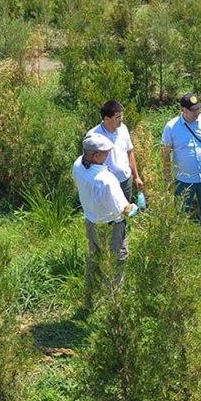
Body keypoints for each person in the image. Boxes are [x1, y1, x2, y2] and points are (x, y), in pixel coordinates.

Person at [72, 133, 139, 308]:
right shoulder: (106, 180)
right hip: (110, 227)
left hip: (91, 222)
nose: (108, 156)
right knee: (117, 260)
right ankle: (114, 302)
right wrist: (136, 207)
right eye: (105, 153)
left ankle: (89, 300)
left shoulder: (78, 165)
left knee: (94, 259)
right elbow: (123, 211)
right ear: (95, 156)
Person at [161, 92, 201, 236]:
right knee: (180, 213)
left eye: (198, 109)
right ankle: (179, 241)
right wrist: (167, 177)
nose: (197, 112)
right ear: (183, 110)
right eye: (193, 110)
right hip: (183, 179)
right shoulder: (171, 127)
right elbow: (165, 154)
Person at [89, 100, 144, 202]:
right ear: (106, 118)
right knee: (109, 215)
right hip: (106, 184)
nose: (121, 120)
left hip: (125, 181)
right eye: (118, 117)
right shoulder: (94, 135)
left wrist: (136, 176)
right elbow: (89, 162)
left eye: (122, 116)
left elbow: (129, 152)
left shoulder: (123, 129)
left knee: (125, 211)